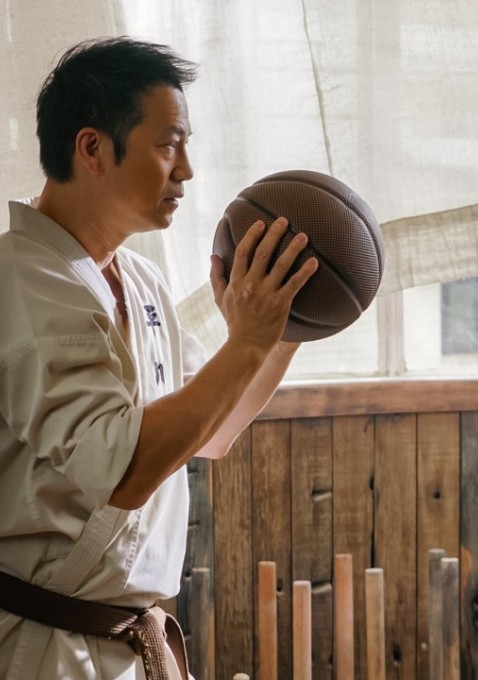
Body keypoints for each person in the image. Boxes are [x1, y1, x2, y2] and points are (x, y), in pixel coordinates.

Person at [0, 37, 317, 679]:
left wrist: (283, 326)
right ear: (92, 148)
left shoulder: (140, 282)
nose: (187, 171)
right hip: (45, 650)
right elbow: (125, 475)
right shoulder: (23, 281)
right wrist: (246, 341)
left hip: (126, 643)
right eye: (169, 144)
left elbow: (212, 432)